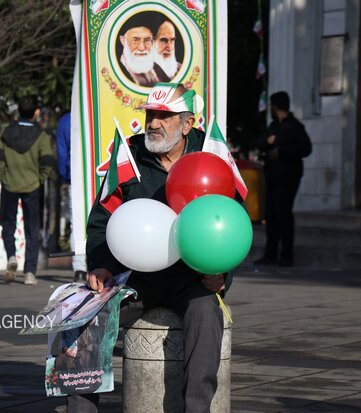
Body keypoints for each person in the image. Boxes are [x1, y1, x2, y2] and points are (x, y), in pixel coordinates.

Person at [69, 83, 228, 413]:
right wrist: (100, 264)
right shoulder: (130, 156)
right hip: (135, 277)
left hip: (192, 276)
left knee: (206, 313)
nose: (153, 123)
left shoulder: (210, 156)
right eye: (149, 114)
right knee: (83, 314)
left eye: (163, 116)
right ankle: (82, 408)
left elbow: (228, 223)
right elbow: (102, 218)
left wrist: (223, 272)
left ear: (187, 124)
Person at [0, 95, 56, 285]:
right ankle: (30, 272)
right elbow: (47, 161)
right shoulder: (41, 136)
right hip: (32, 187)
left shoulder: (5, 132)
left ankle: (11, 256)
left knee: (8, 223)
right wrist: (39, 179)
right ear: (36, 112)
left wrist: (4, 177)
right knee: (32, 228)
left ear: (18, 110)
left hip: (9, 185)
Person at [255, 91, 312, 267]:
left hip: (288, 178)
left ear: (277, 107)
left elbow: (306, 149)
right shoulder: (273, 126)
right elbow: (260, 143)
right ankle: (270, 253)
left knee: (284, 215)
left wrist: (282, 151)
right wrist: (269, 142)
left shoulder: (295, 127)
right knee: (271, 215)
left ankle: (287, 255)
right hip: (272, 177)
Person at [56, 111, 88, 282]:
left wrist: (64, 177)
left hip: (75, 177)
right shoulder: (97, 113)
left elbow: (62, 154)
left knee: (77, 223)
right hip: (98, 175)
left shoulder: (65, 121)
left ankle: (80, 269)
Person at [118, 14, 164, 87]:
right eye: (135, 40)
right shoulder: (116, 70)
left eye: (147, 40)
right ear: (123, 41)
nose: (142, 48)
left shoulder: (157, 69)